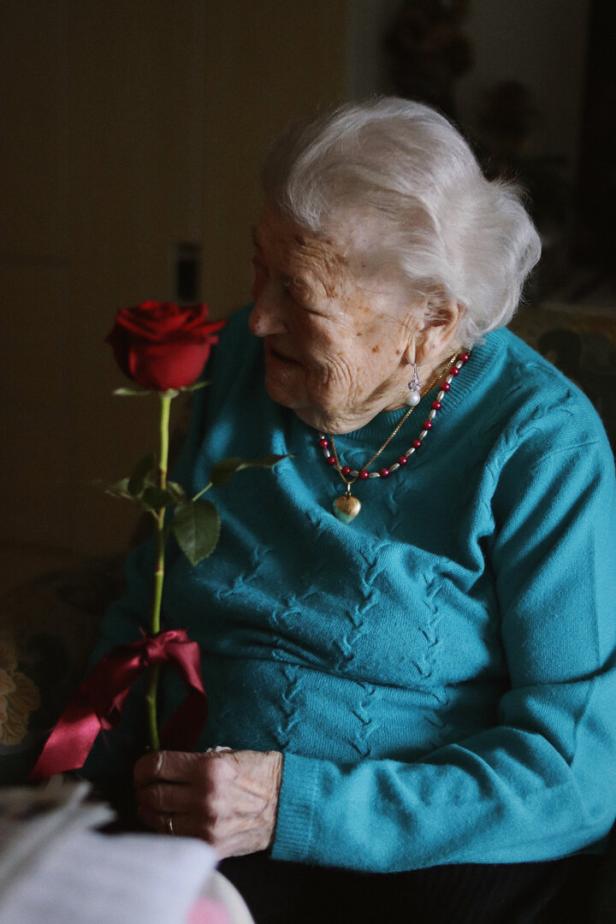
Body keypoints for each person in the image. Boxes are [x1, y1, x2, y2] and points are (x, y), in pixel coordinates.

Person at [87, 99, 616, 923]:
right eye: (258, 267)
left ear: (429, 321)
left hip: (427, 858)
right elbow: (145, 599)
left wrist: (296, 806)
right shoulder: (239, 359)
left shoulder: (543, 445)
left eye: (297, 292)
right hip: (198, 823)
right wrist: (77, 776)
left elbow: (574, 772)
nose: (256, 316)